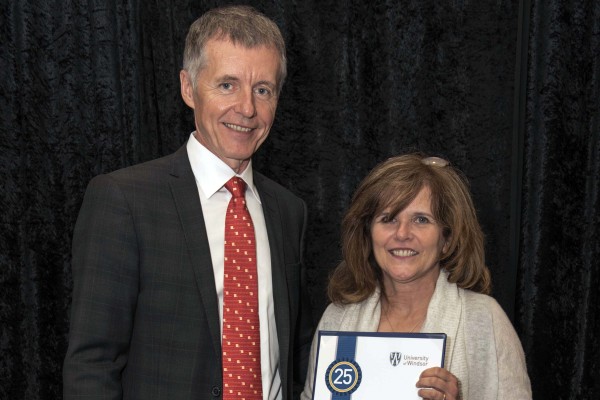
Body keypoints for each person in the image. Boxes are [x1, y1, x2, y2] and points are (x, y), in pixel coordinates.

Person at [63, 5, 312, 400]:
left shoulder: (288, 211)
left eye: (262, 89)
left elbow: (299, 359)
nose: (247, 108)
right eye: (227, 85)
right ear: (187, 87)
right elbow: (92, 367)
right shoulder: (124, 200)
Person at [301, 154, 532, 400]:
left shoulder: (484, 319)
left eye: (421, 220)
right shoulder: (337, 318)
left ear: (447, 239)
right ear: (367, 234)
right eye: (388, 219)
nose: (402, 233)